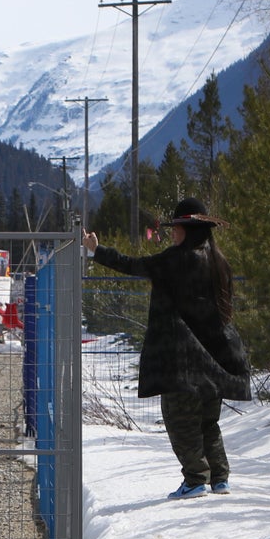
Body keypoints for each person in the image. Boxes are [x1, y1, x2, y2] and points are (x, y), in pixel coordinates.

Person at [82, 197, 251, 500]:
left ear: (188, 229)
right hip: (218, 357)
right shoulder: (220, 262)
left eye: (176, 228)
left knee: (178, 418)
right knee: (207, 421)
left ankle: (196, 479)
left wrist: (97, 251)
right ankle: (219, 478)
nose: (172, 234)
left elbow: (135, 265)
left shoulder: (178, 259)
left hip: (183, 359)